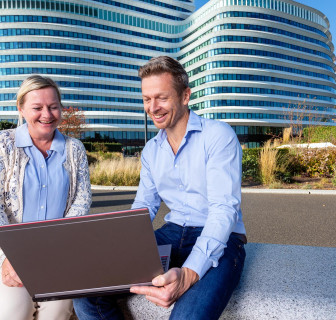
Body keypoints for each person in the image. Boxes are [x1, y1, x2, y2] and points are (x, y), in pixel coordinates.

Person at [73, 56, 246, 320]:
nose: (152, 108)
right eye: (146, 99)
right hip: (172, 233)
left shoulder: (218, 136)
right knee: (87, 291)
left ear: (185, 96)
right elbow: (144, 207)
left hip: (222, 238)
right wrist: (115, 247)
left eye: (161, 98)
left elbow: (224, 209)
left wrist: (188, 274)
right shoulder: (152, 150)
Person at [0, 75, 92, 320]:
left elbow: (81, 201)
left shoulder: (74, 149)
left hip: (56, 249)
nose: (47, 114)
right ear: (21, 109)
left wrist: (56, 246)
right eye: (37, 107)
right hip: (1, 250)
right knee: (14, 310)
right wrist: (11, 254)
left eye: (54, 106)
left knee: (58, 310)